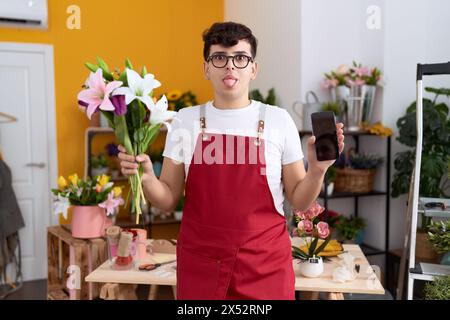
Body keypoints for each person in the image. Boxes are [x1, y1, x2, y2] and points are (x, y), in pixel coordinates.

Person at [118, 21, 345, 300]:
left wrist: (318, 170)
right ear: (206, 68)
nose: (230, 67)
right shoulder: (184, 121)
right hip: (201, 264)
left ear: (253, 68)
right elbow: (167, 199)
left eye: (240, 58)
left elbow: (300, 201)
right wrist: (147, 178)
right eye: (219, 57)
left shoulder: (278, 120)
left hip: (264, 266)